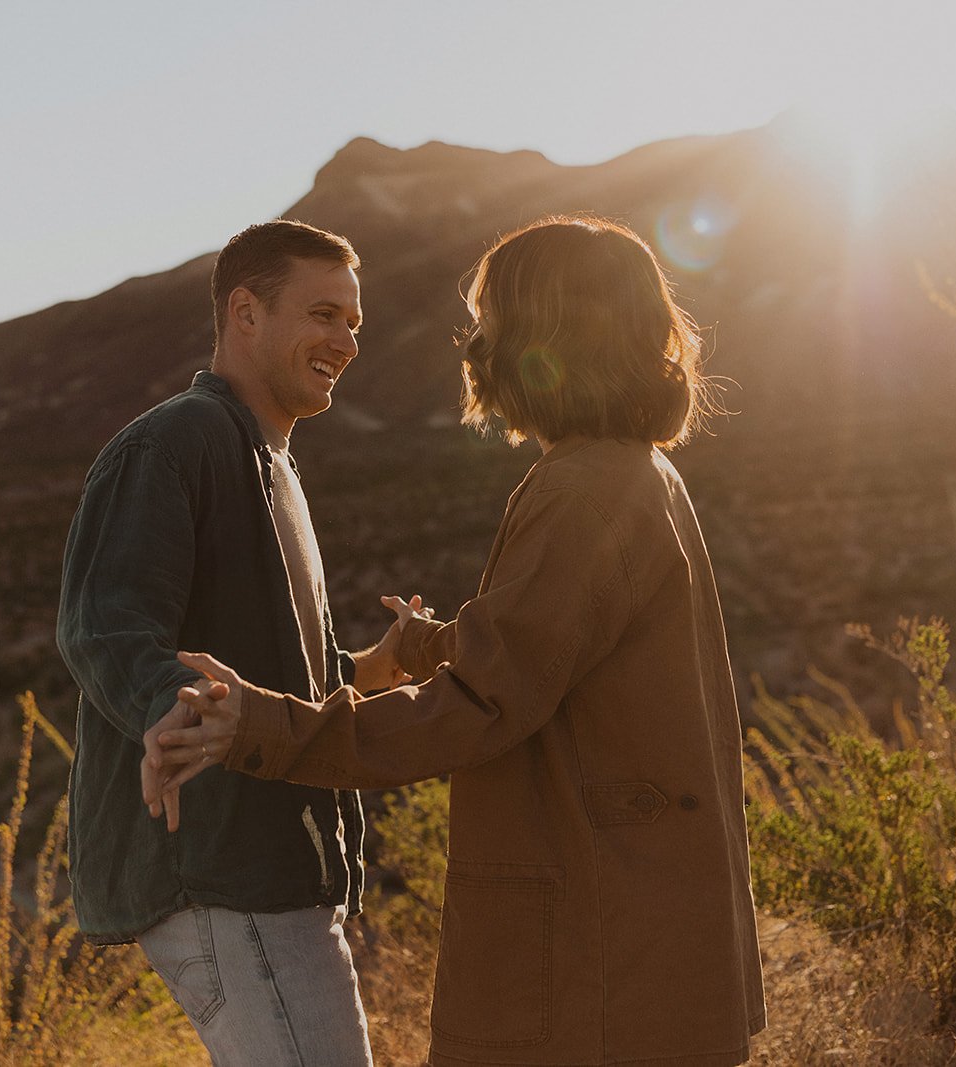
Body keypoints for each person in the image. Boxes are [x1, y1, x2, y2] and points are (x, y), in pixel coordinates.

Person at [144, 216, 767, 1066]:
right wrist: (432, 643)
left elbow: (480, 705)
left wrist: (259, 725)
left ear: (542, 336)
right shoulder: (633, 471)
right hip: (639, 941)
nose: (474, 344)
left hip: (598, 964)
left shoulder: (583, 487)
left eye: (489, 320)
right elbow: (546, 648)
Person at [56, 219, 408, 1066]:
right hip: (221, 867)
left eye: (354, 322)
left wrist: (368, 671)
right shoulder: (172, 442)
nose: (345, 340)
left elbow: (273, 668)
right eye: (323, 314)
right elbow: (104, 624)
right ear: (245, 312)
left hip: (273, 865)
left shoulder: (272, 460)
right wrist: (166, 712)